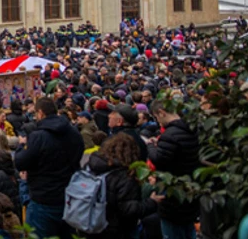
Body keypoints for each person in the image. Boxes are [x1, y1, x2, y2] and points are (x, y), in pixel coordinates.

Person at [14, 97, 84, 239]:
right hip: (68, 197)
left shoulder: (38, 137)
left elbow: (21, 162)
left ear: (40, 113)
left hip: (43, 199)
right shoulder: (73, 133)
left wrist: (21, 146)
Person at [85, 133, 159, 239]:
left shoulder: (90, 167)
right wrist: (152, 202)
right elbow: (128, 209)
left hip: (91, 221)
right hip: (117, 229)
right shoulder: (125, 176)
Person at [148, 100, 201, 239]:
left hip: (173, 193)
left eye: (156, 116)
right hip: (190, 188)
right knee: (188, 229)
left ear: (162, 113)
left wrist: (151, 146)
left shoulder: (170, 135)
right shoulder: (191, 129)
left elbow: (160, 160)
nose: (157, 121)